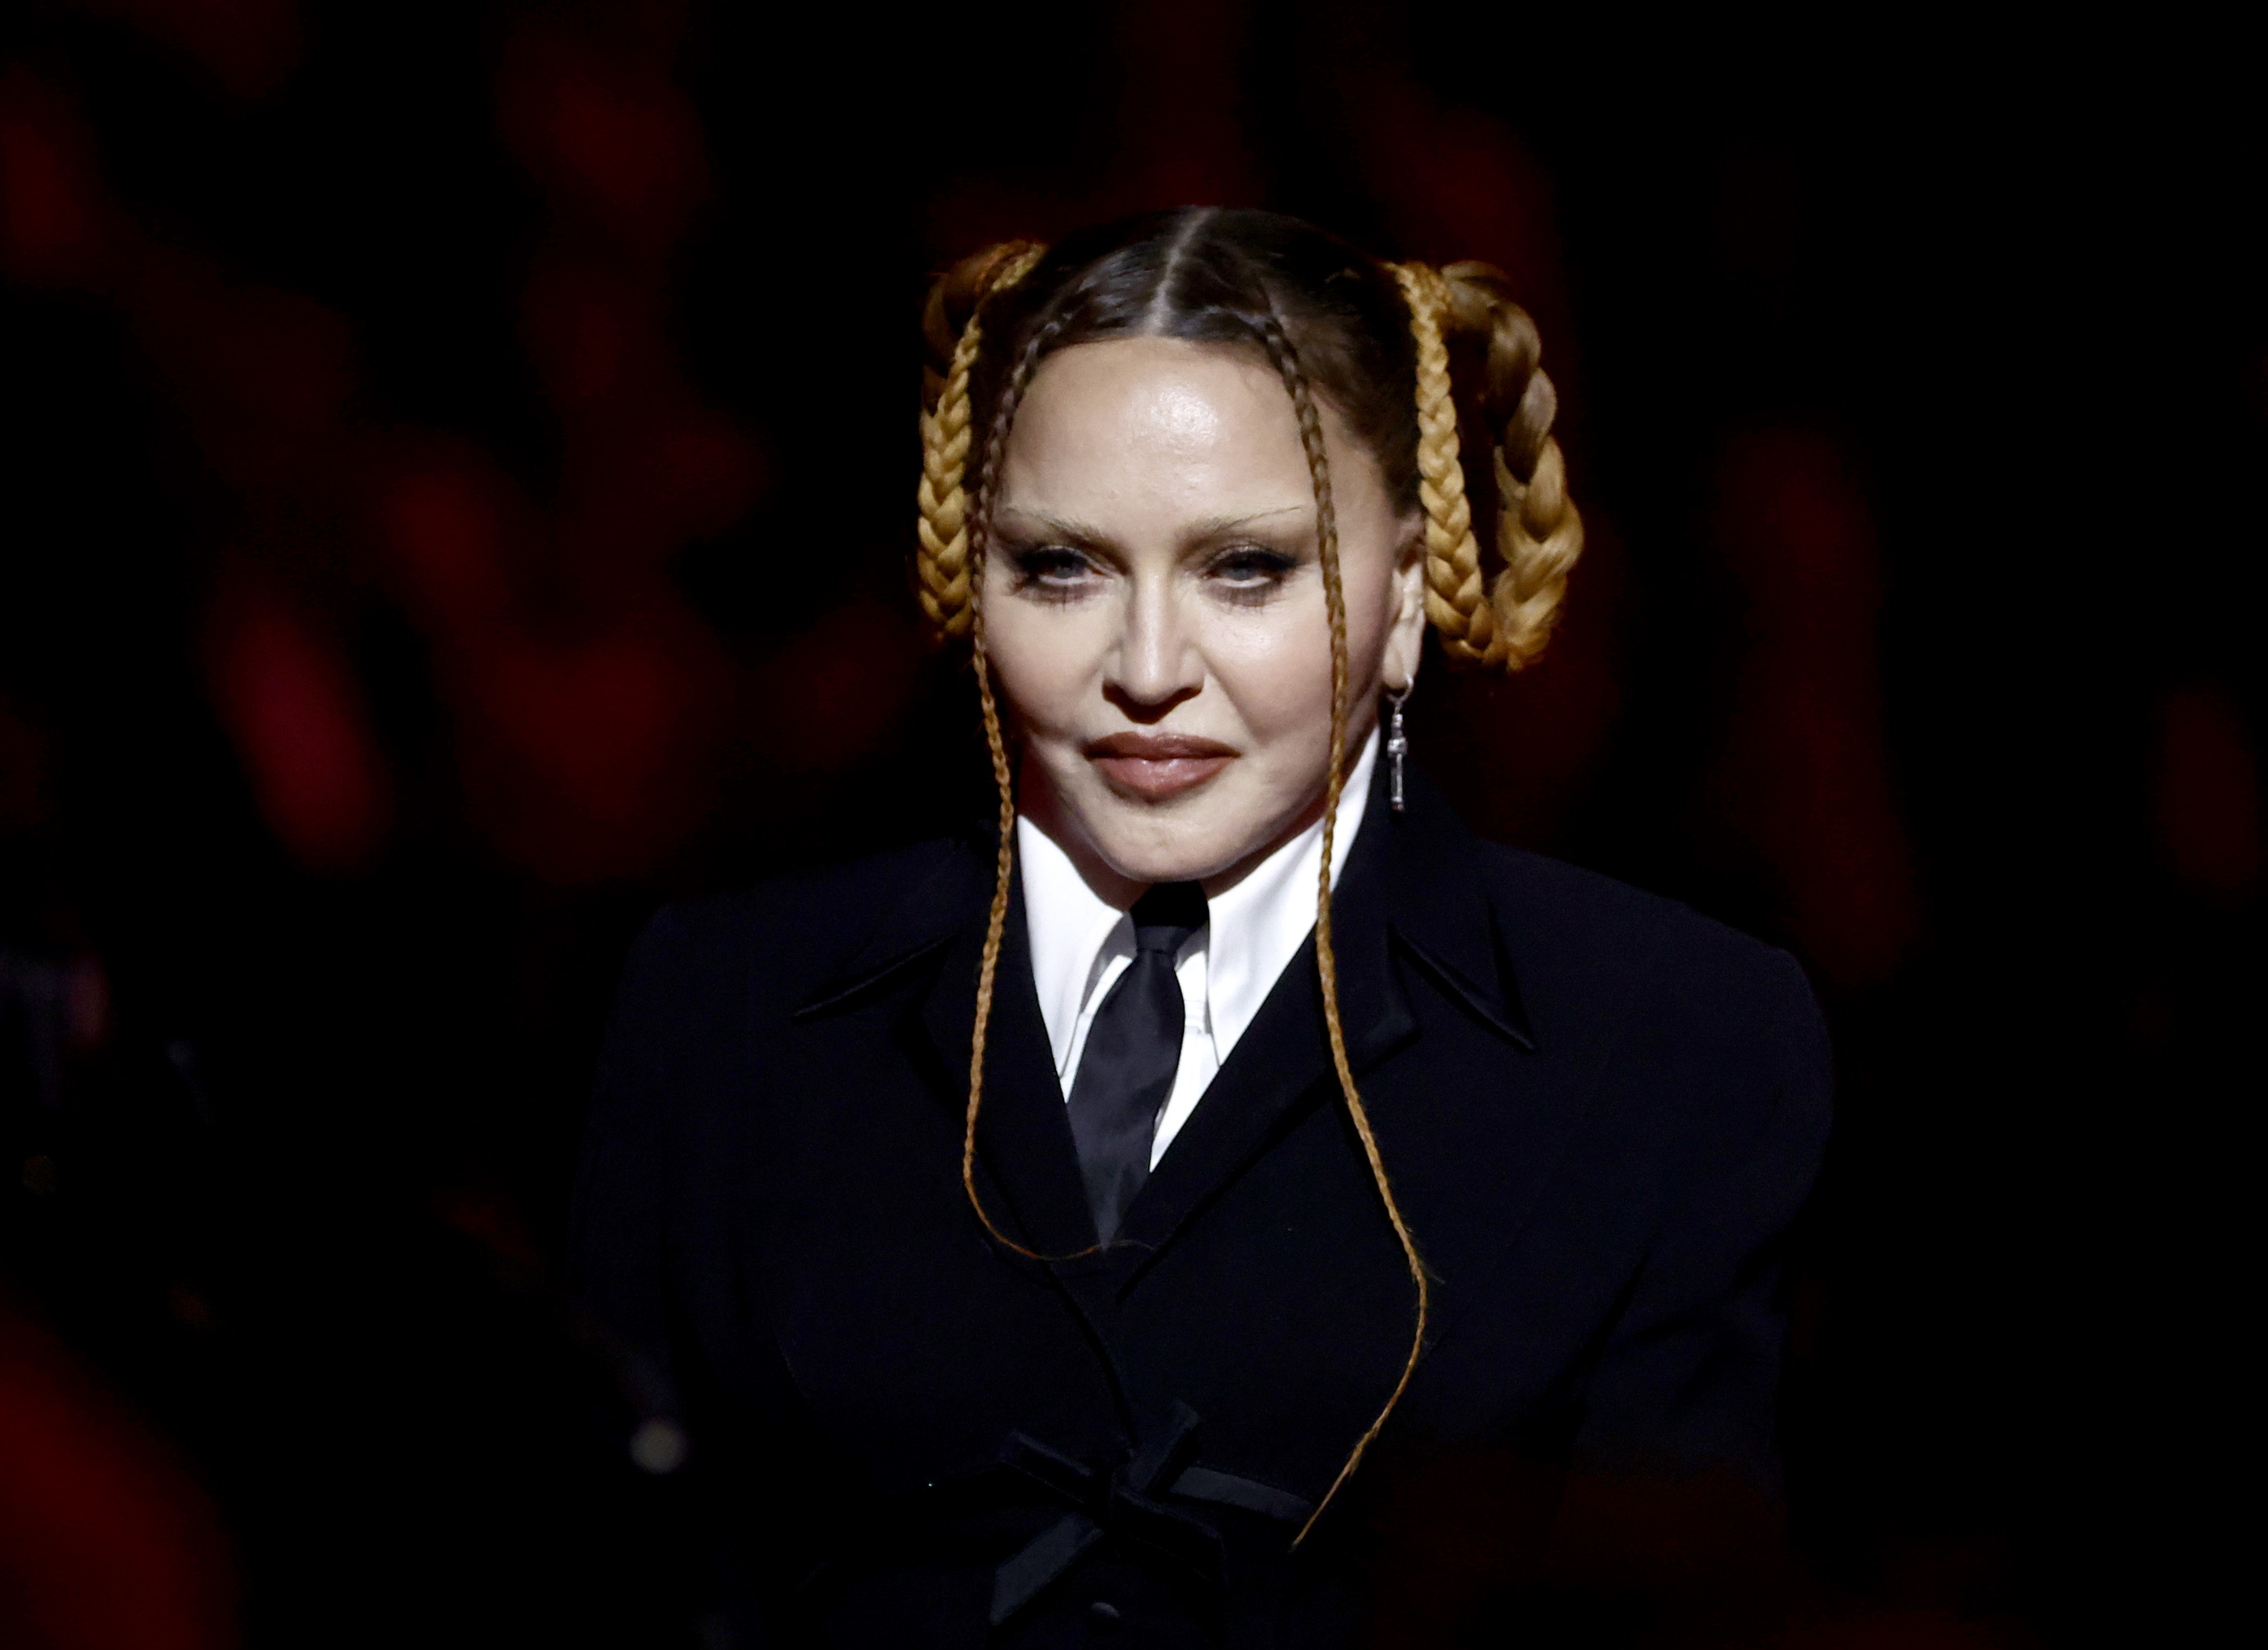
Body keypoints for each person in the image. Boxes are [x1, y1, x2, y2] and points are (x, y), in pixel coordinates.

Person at [571, 207, 1831, 1646]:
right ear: (967, 579)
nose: (1148, 670)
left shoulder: (1672, 1038)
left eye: (1247, 568)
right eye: (1063, 567)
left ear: (1414, 594)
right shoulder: (724, 1009)